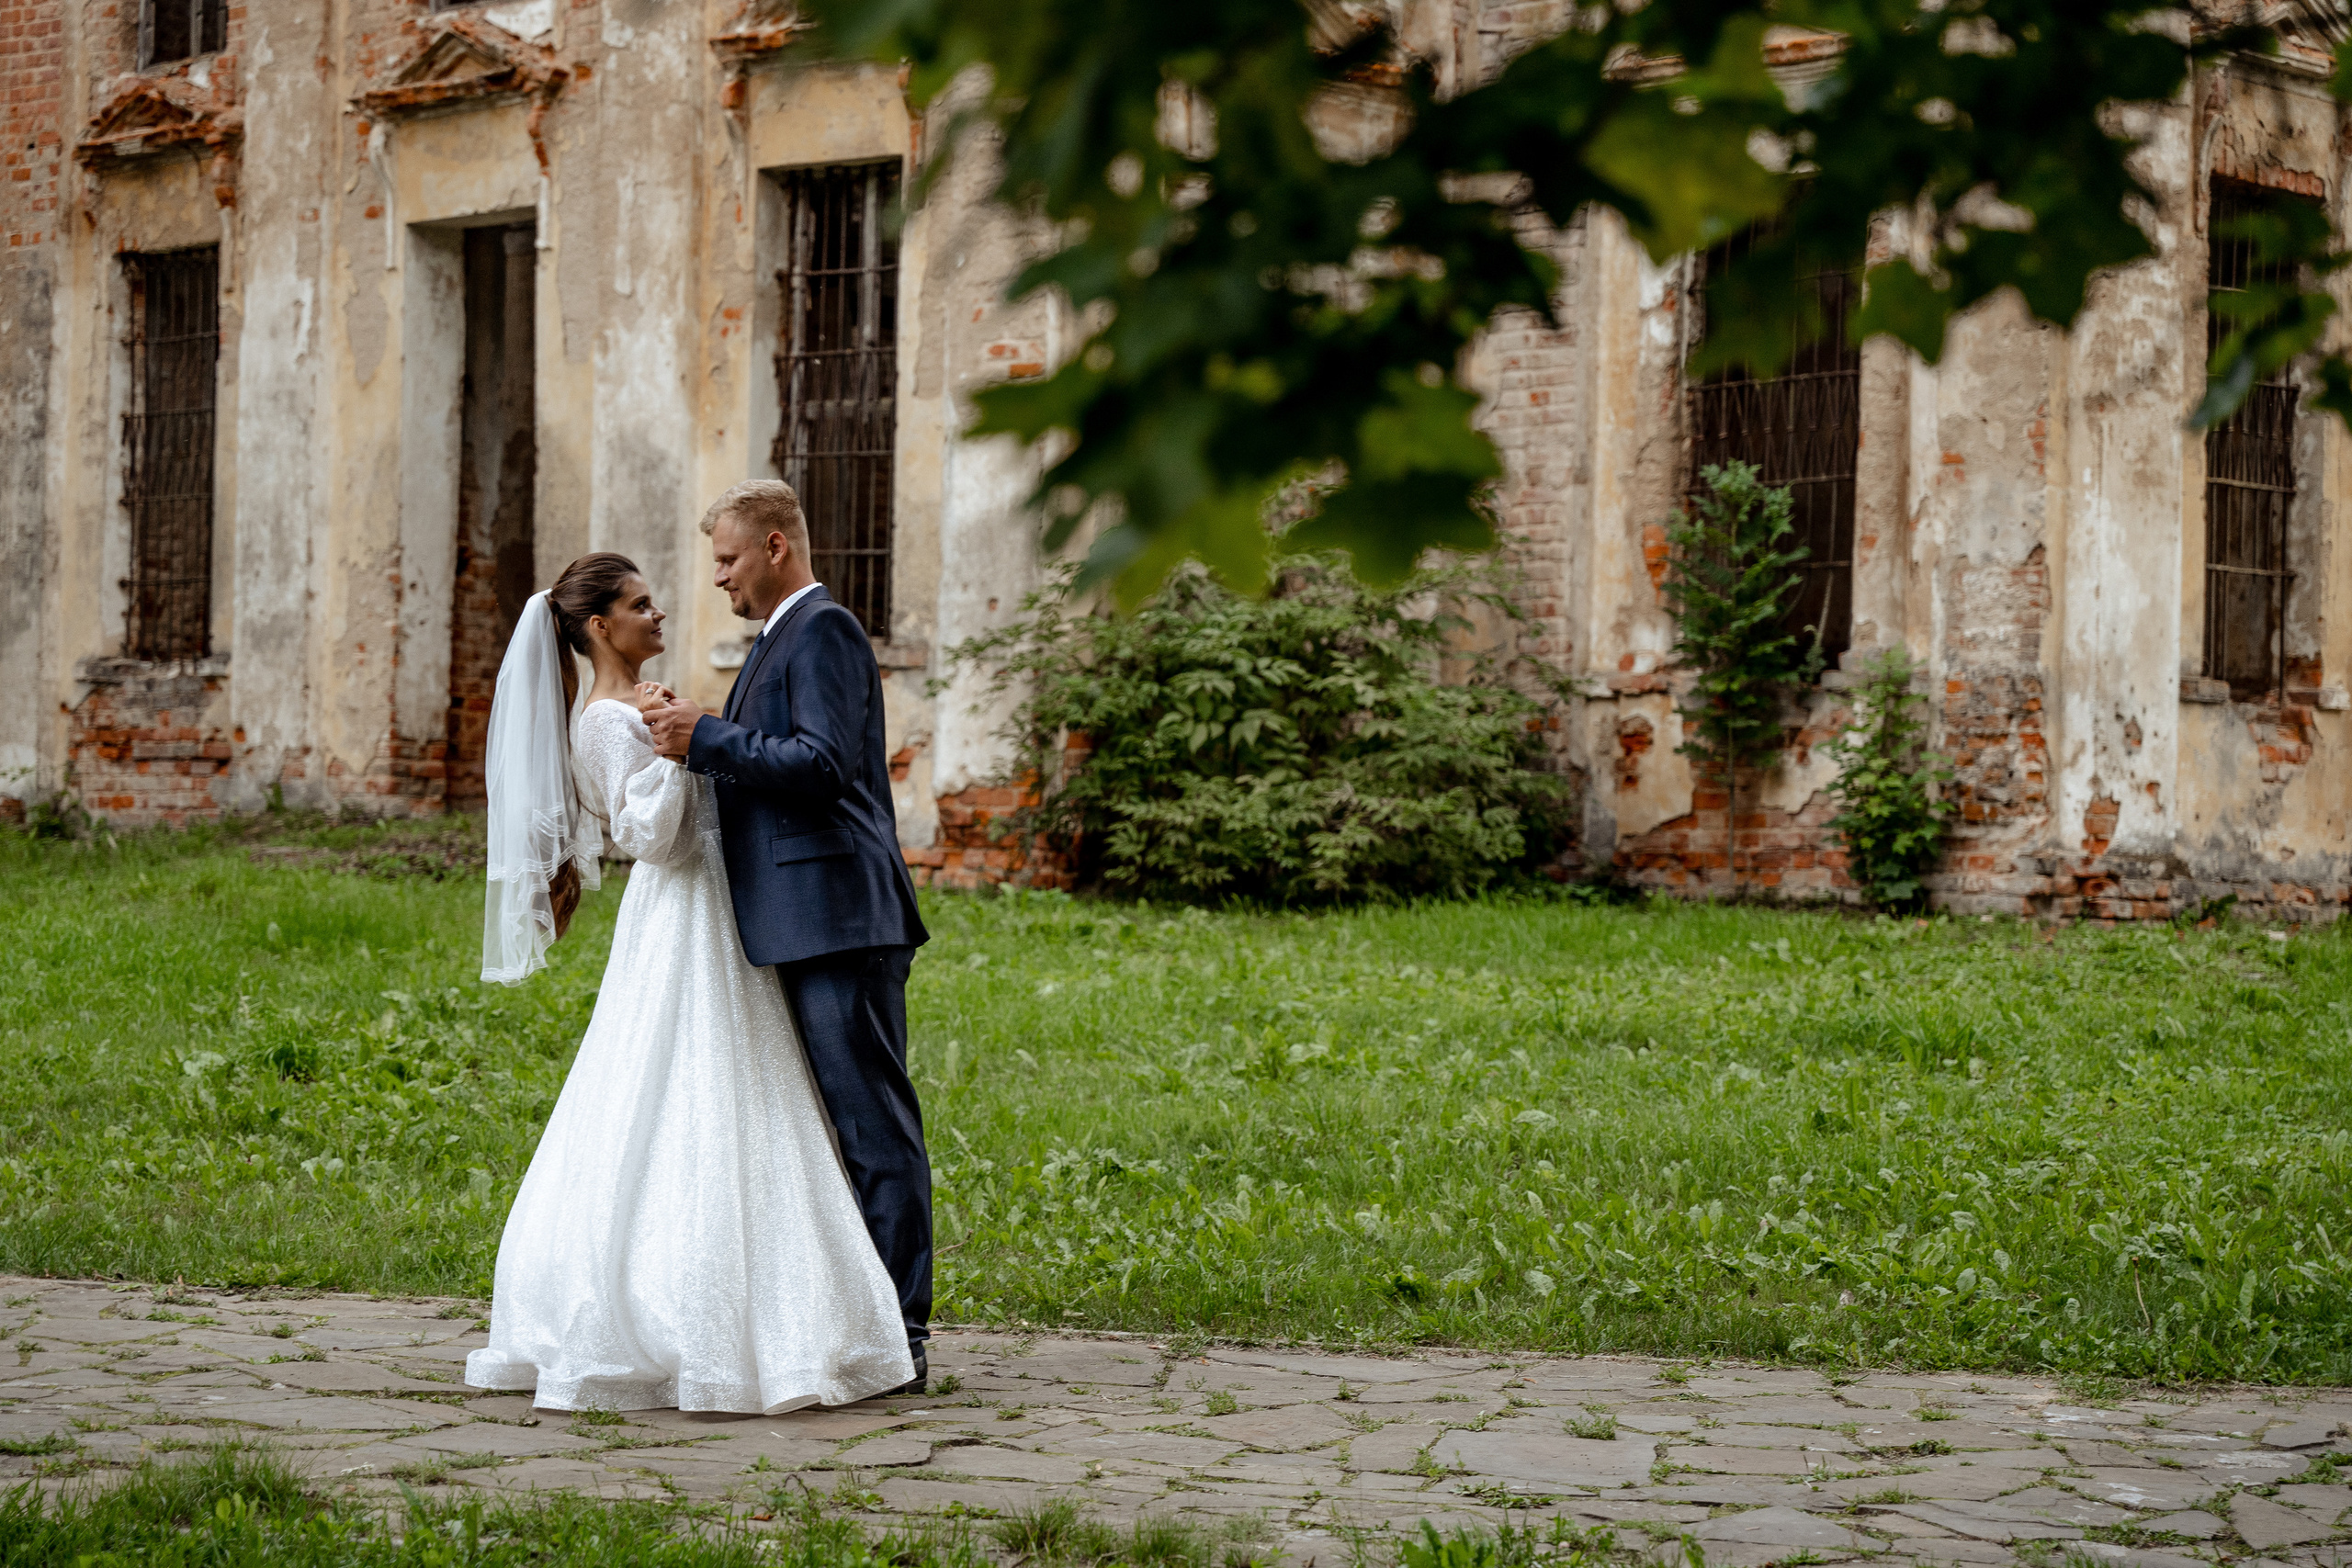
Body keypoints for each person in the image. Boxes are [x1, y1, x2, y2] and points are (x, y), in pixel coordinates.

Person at [465, 551, 913, 1414]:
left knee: (750, 1097)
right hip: (680, 913)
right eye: (640, 605)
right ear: (599, 627)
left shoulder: (643, 704)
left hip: (720, 908)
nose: (659, 613)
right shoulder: (603, 721)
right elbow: (651, 839)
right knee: (684, 1096)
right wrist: (681, 749)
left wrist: (685, 732)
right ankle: (676, 1316)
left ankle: (784, 1304)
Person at [645, 480, 934, 1393]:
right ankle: (861, 1330)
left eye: (729, 559)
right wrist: (705, 734)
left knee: (870, 1129)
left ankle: (903, 1340)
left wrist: (708, 737)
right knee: (834, 1133)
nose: (720, 578)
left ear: (776, 546)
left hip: (839, 920)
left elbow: (820, 766)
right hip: (803, 923)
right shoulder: (777, 640)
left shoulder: (826, 631)